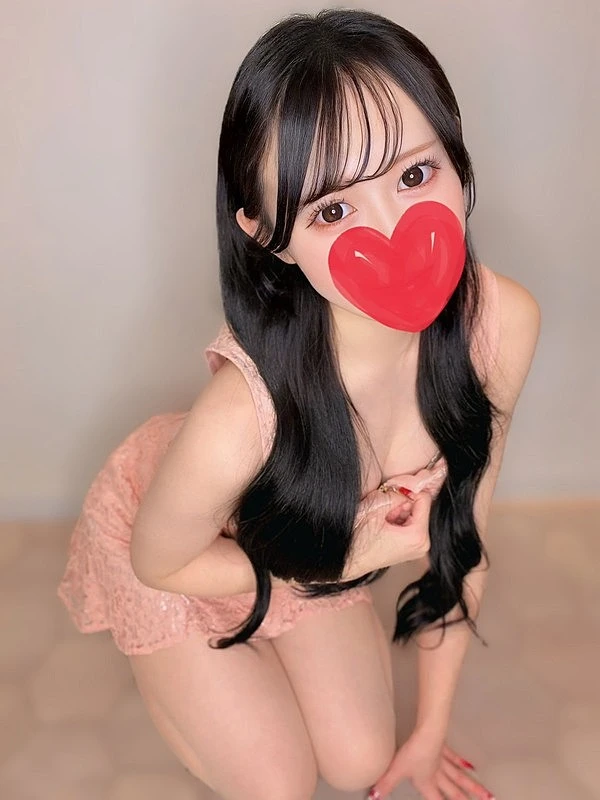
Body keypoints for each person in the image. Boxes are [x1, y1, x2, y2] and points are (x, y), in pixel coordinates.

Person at [57, 8, 540, 800]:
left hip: (299, 543)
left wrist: (427, 735)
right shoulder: (238, 419)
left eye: (414, 175)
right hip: (177, 548)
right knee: (277, 782)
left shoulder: (502, 324)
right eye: (332, 210)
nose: (394, 230)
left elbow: (465, 536)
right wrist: (350, 558)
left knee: (358, 762)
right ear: (267, 236)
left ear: (456, 157)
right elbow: (161, 560)